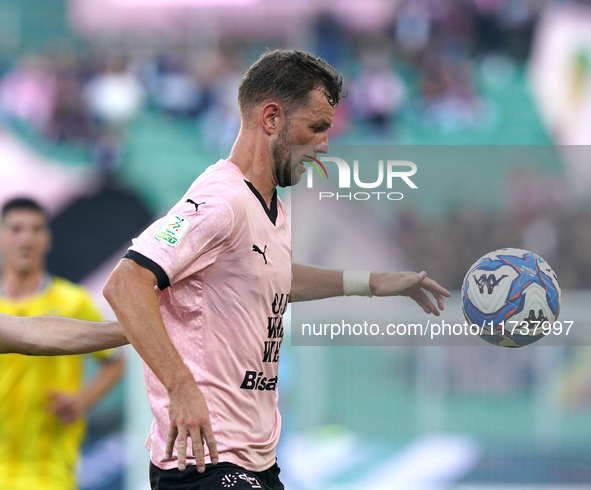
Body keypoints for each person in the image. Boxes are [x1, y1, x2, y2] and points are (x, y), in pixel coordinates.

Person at [0, 50, 450, 490]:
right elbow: (126, 283)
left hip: (255, 461)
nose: (324, 144)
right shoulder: (220, 201)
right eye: (316, 128)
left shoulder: (270, 207)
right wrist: (180, 384)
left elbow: (271, 275)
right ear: (271, 119)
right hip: (204, 458)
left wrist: (369, 283)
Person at [0, 198, 125, 490]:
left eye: (36, 229)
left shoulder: (73, 302)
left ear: (47, 238)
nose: (27, 238)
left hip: (49, 468)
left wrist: (83, 400)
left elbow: (115, 361)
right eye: (16, 229)